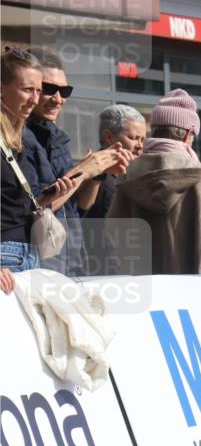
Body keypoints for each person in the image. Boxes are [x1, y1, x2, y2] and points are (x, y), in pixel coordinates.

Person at [25, 48, 133, 277]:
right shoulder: (19, 140)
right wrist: (83, 171)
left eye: (64, 91)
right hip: (38, 269)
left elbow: (77, 210)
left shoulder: (59, 140)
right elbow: (35, 208)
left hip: (72, 264)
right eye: (49, 89)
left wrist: (97, 175)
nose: (58, 99)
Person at [108, 88, 201, 274]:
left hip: (142, 292)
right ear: (188, 135)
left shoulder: (127, 176)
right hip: (192, 294)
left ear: (154, 131)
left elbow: (112, 236)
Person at [1, 47, 77, 272]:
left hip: (28, 256)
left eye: (38, 90)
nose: (35, 99)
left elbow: (17, 206)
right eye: (27, 90)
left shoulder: (17, 137)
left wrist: (48, 197)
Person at [86, 104, 146, 221]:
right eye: (133, 138)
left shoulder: (136, 173)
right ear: (109, 137)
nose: (140, 146)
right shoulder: (92, 174)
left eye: (143, 140)